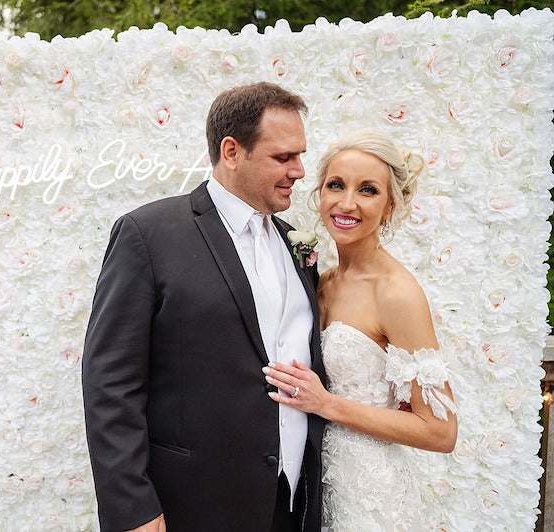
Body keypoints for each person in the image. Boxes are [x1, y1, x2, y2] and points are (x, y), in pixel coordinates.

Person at [82, 82, 327, 532]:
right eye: (283, 157)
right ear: (231, 151)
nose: (299, 171)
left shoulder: (296, 244)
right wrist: (132, 507)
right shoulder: (148, 234)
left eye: (301, 155)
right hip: (192, 505)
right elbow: (110, 382)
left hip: (292, 501)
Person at [262, 130, 458, 530]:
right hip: (314, 487)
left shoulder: (396, 293)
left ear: (389, 206)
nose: (347, 203)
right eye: (336, 185)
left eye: (367, 190)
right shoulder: (319, 280)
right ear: (320, 194)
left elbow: (440, 431)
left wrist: (326, 404)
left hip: (371, 496)